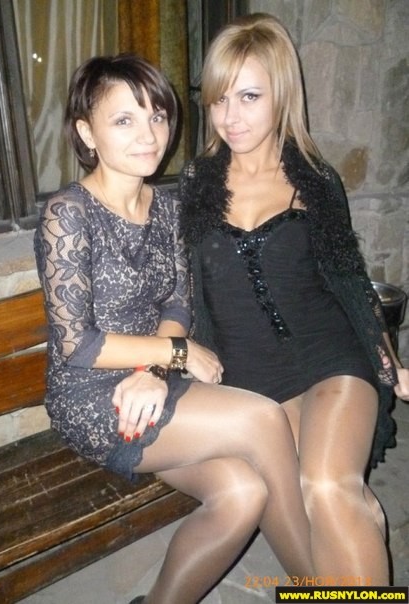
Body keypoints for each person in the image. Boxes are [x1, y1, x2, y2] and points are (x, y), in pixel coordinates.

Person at [34, 53, 314, 604]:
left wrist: (158, 366)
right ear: (87, 133)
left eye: (157, 116)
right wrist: (175, 353)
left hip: (153, 378)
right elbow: (76, 344)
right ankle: (324, 589)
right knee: (263, 419)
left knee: (243, 492)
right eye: (124, 120)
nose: (149, 135)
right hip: (92, 396)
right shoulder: (68, 214)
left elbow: (178, 301)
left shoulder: (166, 207)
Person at [179, 13, 409, 587]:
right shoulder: (196, 182)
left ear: (281, 94)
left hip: (329, 358)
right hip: (251, 383)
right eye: (219, 99)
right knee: (313, 542)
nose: (231, 117)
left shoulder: (315, 179)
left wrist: (389, 363)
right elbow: (183, 288)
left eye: (249, 96)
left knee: (326, 486)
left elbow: (349, 279)